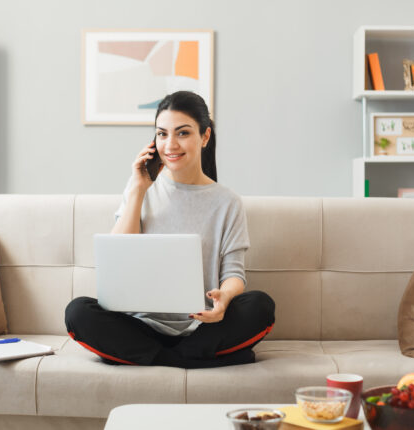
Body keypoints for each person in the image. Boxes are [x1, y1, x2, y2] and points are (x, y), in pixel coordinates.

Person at [65, 91, 275, 368]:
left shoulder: (227, 202)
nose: (170, 144)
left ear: (205, 137)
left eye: (183, 133)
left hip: (201, 325)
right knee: (78, 312)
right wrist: (139, 189)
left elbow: (234, 273)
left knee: (260, 306)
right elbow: (118, 260)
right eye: (162, 134)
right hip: (140, 325)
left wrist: (224, 298)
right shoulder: (139, 188)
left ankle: (153, 358)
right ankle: (192, 359)